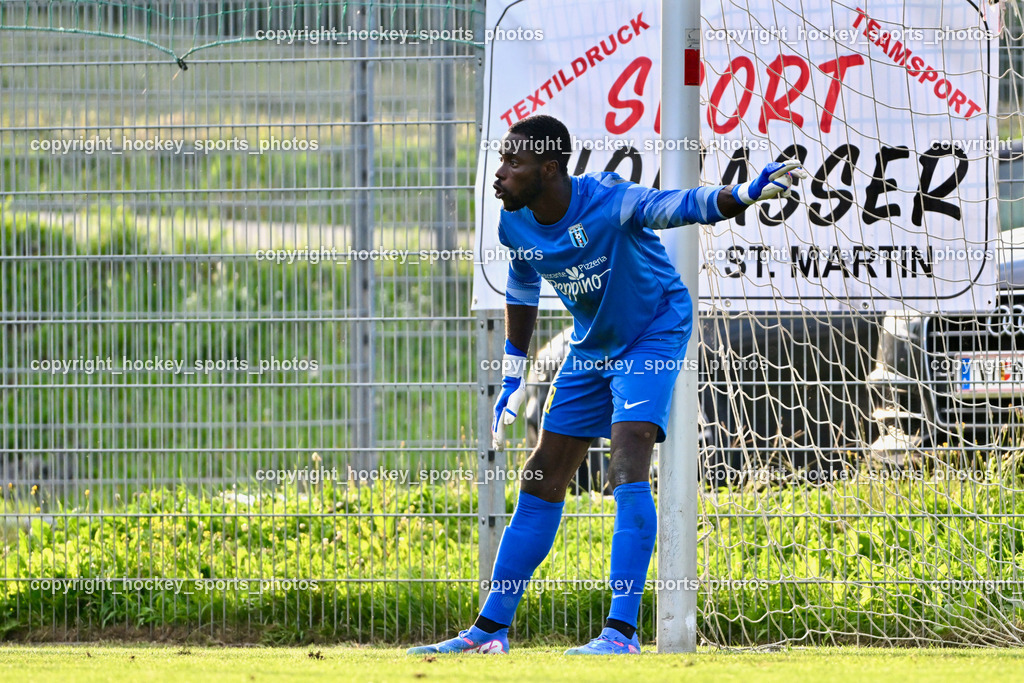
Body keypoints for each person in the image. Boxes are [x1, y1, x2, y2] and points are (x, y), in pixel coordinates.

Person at [408, 114, 806, 655]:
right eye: (501, 160)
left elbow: (678, 205)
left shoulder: (611, 200)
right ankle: (489, 631)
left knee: (626, 461)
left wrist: (742, 194)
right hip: (592, 343)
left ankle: (621, 634)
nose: (500, 173)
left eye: (513, 162)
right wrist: (512, 370)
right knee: (541, 475)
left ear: (549, 169)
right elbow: (522, 285)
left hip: (653, 330)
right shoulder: (514, 221)